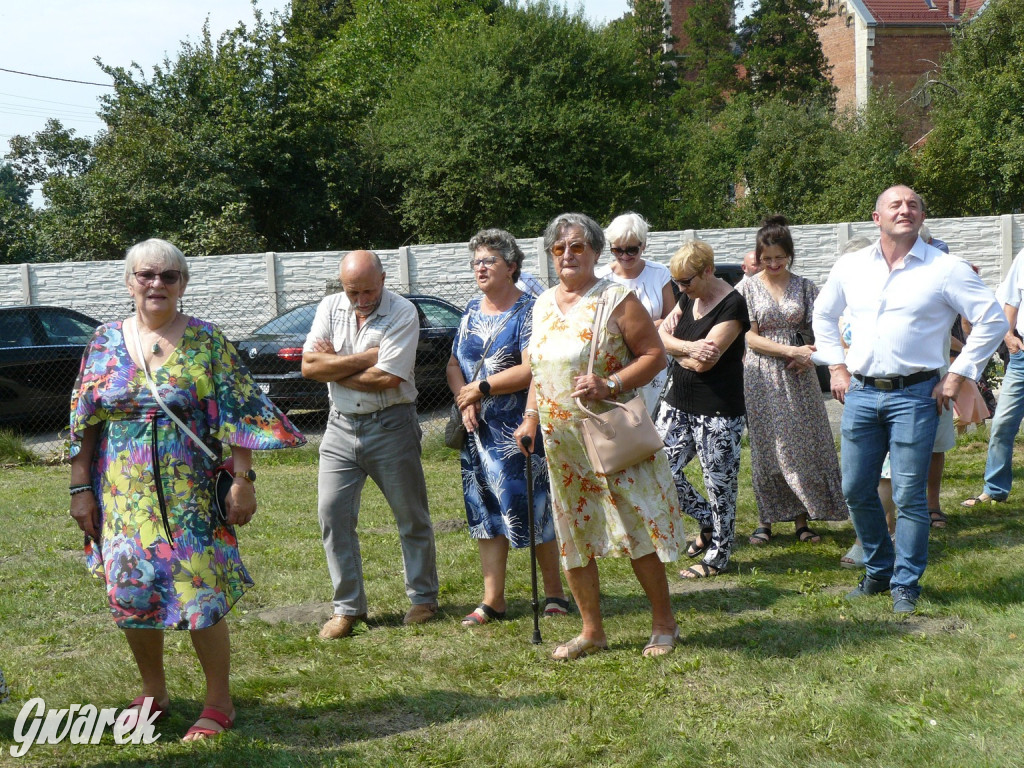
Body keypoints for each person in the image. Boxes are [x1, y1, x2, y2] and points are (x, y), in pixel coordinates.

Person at [69, 238, 306, 741]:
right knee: (132, 590)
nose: (156, 284)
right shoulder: (105, 340)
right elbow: (85, 417)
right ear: (130, 281)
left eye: (168, 277)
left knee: (200, 592)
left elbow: (243, 411)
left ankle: (219, 700)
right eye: (146, 275)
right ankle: (154, 692)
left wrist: (242, 482)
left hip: (190, 495)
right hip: (119, 493)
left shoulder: (207, 341)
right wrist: (78, 487)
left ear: (183, 284)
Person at [813, 185, 1006, 614]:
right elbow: (824, 315)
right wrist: (837, 367)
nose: (905, 210)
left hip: (916, 395)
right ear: (876, 217)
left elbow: (991, 318)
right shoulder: (850, 266)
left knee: (909, 495)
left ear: (921, 217)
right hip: (862, 392)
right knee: (856, 488)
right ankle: (879, 569)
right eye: (895, 204)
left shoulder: (945, 268)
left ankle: (905, 583)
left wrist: (958, 374)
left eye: (913, 205)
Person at [514, 212, 683, 660]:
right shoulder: (543, 302)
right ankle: (592, 631)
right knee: (574, 533)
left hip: (608, 436)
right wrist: (530, 417)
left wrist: (609, 384)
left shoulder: (617, 299)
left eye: (577, 247)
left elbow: (655, 355)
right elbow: (538, 369)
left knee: (635, 527)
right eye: (558, 248)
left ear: (594, 252)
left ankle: (664, 623)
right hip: (560, 444)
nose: (567, 255)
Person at [303, 250, 440, 640]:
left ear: (383, 280)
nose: (361, 299)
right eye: (353, 292)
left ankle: (423, 598)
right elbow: (308, 366)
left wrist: (336, 366)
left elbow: (388, 379)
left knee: (410, 516)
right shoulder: (330, 306)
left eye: (368, 291)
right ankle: (348, 609)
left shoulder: (403, 312)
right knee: (332, 515)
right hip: (339, 427)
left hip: (391, 425)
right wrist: (366, 358)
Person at [447, 229, 568, 625]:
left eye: (489, 261)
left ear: (511, 266)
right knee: (484, 514)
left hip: (518, 428)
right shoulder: (468, 310)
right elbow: (453, 365)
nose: (480, 267)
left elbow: (533, 367)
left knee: (533, 510)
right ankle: (493, 600)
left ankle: (554, 593)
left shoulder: (530, 310)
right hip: (476, 429)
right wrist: (464, 400)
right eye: (476, 261)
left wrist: (480, 388)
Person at [741, 216, 848, 547]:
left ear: (789, 254)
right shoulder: (746, 288)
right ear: (759, 257)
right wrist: (790, 349)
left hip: (797, 377)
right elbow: (749, 337)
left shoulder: (805, 286)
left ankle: (803, 519)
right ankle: (766, 520)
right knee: (768, 446)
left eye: (779, 257)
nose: (773, 264)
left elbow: (823, 329)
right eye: (767, 258)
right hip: (761, 377)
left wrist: (809, 357)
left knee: (801, 446)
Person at [655, 240, 749, 579]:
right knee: (658, 469)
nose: (680, 289)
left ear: (708, 271)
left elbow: (704, 365)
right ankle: (707, 520)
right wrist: (687, 347)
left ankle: (719, 553)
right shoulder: (687, 296)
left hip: (718, 410)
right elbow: (660, 337)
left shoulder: (733, 306)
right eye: (677, 282)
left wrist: (676, 350)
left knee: (719, 484)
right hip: (677, 401)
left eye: (686, 281)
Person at [962, 246, 1024, 509]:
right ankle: (995, 489)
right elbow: (1011, 300)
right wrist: (1009, 338)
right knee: (1002, 423)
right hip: (1021, 357)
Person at [597, 212, 675, 413]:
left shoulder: (659, 273)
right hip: (614, 364)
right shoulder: (600, 277)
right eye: (617, 250)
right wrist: (653, 325)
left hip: (653, 362)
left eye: (631, 250)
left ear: (644, 245)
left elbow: (672, 318)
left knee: (655, 422)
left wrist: (649, 328)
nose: (624, 256)